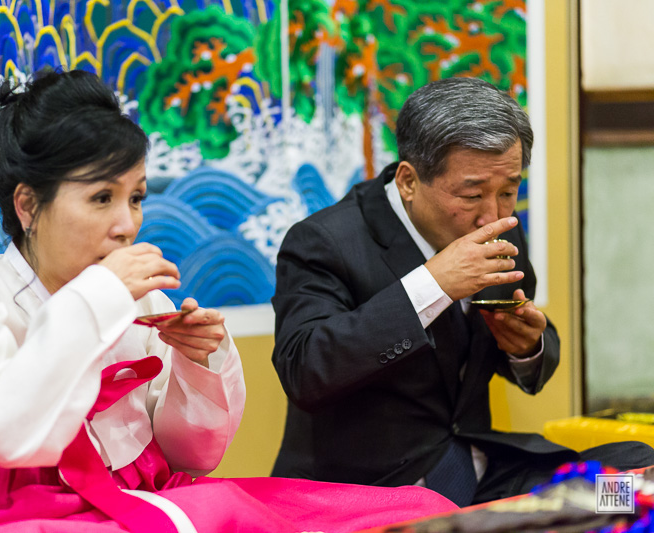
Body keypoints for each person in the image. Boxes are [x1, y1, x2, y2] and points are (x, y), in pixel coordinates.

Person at [0, 70, 457, 532]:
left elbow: (191, 456)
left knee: (400, 509)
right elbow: (4, 436)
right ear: (28, 205)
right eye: (100, 199)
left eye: (136, 197)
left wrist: (201, 363)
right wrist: (99, 300)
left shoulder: (127, 300)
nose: (126, 224)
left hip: (119, 500)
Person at [270, 76, 654, 507]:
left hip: (483, 475)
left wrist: (527, 348)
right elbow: (305, 369)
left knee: (630, 486)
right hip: (372, 490)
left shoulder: (498, 228)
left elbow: (532, 356)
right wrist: (432, 284)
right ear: (409, 181)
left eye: (509, 191)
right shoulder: (325, 240)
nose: (491, 214)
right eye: (472, 194)